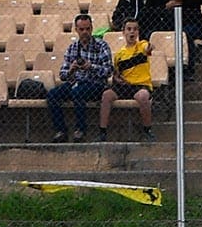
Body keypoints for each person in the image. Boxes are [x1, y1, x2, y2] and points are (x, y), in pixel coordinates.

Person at [47, 14, 113, 143]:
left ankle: (80, 130)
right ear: (76, 30)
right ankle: (61, 131)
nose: (85, 32)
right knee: (52, 95)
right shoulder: (72, 48)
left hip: (96, 84)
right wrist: (71, 69)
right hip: (75, 82)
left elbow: (109, 71)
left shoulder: (102, 46)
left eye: (87, 29)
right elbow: (62, 74)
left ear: (92, 28)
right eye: (82, 29)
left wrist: (91, 67)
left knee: (78, 92)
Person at [99, 18, 156, 143]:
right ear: (123, 32)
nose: (132, 32)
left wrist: (149, 48)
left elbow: (150, 46)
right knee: (107, 95)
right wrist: (118, 80)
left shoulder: (142, 45)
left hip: (141, 85)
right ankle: (102, 132)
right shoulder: (119, 54)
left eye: (135, 29)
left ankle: (147, 130)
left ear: (138, 32)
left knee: (143, 96)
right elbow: (116, 75)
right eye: (129, 29)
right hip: (124, 86)